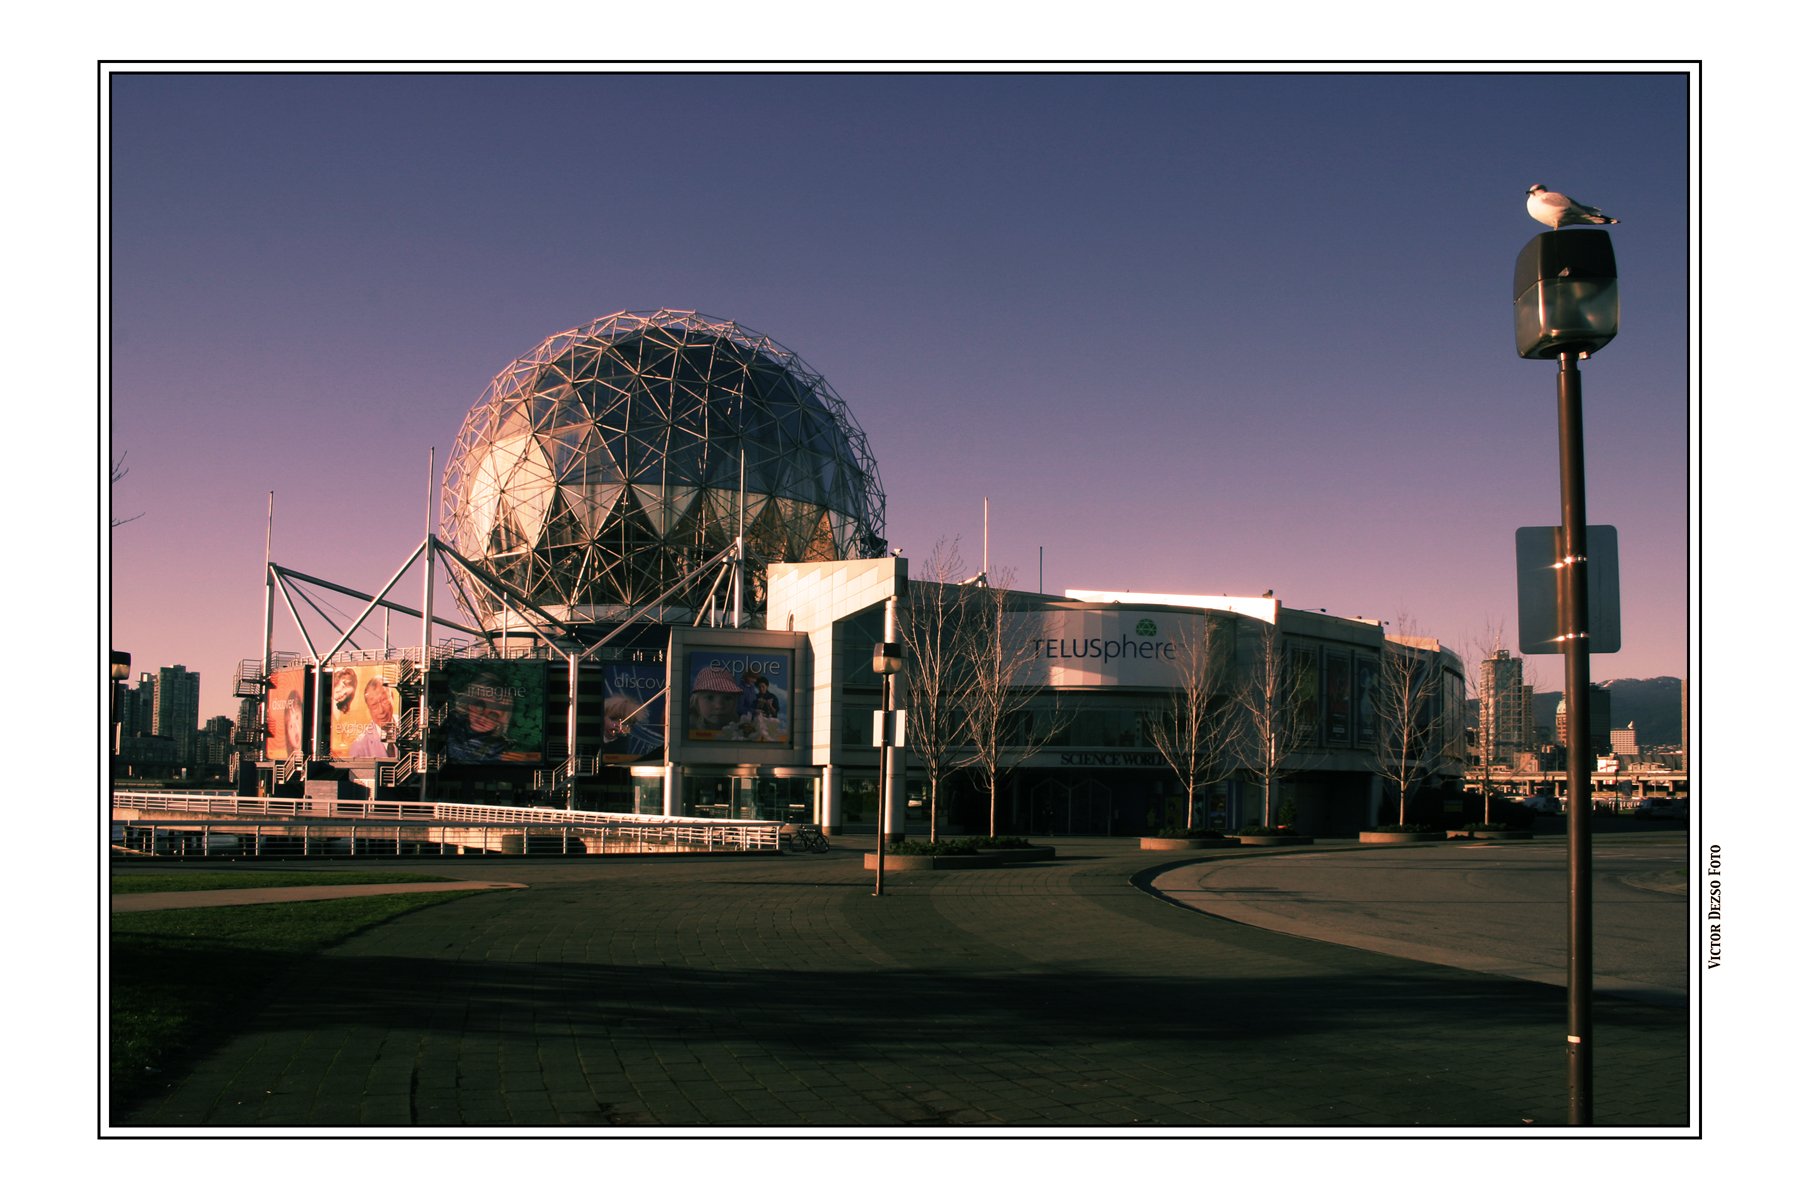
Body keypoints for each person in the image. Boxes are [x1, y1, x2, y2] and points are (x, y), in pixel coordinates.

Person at [445, 670, 519, 763]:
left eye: (493, 715)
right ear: (469, 703)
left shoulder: (500, 752)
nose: (483, 717)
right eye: (479, 706)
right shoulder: (447, 722)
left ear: (501, 722)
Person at [348, 676, 398, 758]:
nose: (381, 710)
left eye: (384, 700)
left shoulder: (411, 726)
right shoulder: (359, 747)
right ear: (368, 708)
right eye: (374, 705)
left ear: (392, 697)